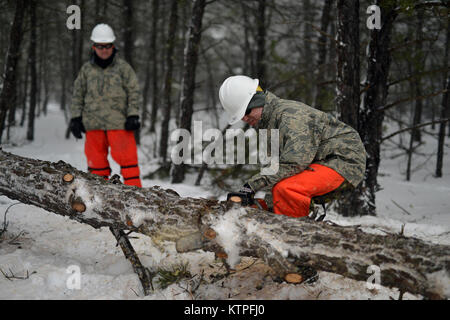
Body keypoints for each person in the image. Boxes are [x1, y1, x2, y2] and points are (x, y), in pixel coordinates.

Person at [219, 75, 367, 217]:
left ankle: (294, 238)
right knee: (279, 193)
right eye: (241, 117)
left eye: (246, 111)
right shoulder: (268, 124)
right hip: (320, 161)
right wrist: (268, 206)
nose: (245, 118)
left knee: (288, 190)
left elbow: (295, 163)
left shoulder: (290, 116)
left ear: (257, 101)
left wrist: (251, 186)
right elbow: (277, 170)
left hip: (343, 160)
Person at [69, 24, 143, 188]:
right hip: (92, 124)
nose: (104, 50)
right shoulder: (86, 70)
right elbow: (78, 94)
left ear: (113, 46)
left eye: (108, 46)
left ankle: (138, 198)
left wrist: (133, 114)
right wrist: (75, 117)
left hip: (119, 123)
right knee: (96, 165)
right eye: (100, 46)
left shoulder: (123, 68)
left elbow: (134, 92)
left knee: (129, 163)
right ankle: (99, 200)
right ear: (94, 46)